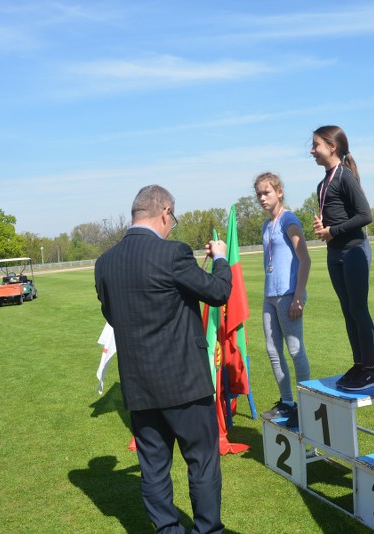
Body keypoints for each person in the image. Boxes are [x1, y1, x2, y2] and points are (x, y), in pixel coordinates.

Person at [95, 185, 231, 534]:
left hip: (139, 385)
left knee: (153, 468)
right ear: (165, 212)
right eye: (173, 219)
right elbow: (218, 292)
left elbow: (113, 317)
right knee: (202, 463)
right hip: (185, 383)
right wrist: (220, 259)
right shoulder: (172, 253)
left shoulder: (105, 262)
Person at [310, 125, 374, 391]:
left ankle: (370, 369)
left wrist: (333, 231)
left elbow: (365, 215)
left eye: (316, 145)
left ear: (332, 147)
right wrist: (323, 229)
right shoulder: (322, 183)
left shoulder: (345, 176)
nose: (312, 151)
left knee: (358, 309)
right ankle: (359, 364)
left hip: (354, 251)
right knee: (347, 310)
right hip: (335, 253)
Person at [254, 172, 312, 429]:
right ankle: (287, 402)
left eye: (266, 192)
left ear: (279, 192)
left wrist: (298, 296)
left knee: (295, 350)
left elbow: (305, 260)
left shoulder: (289, 220)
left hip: (289, 295)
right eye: (258, 194)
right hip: (270, 296)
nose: (262, 198)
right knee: (273, 351)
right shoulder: (267, 225)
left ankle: (305, 405)